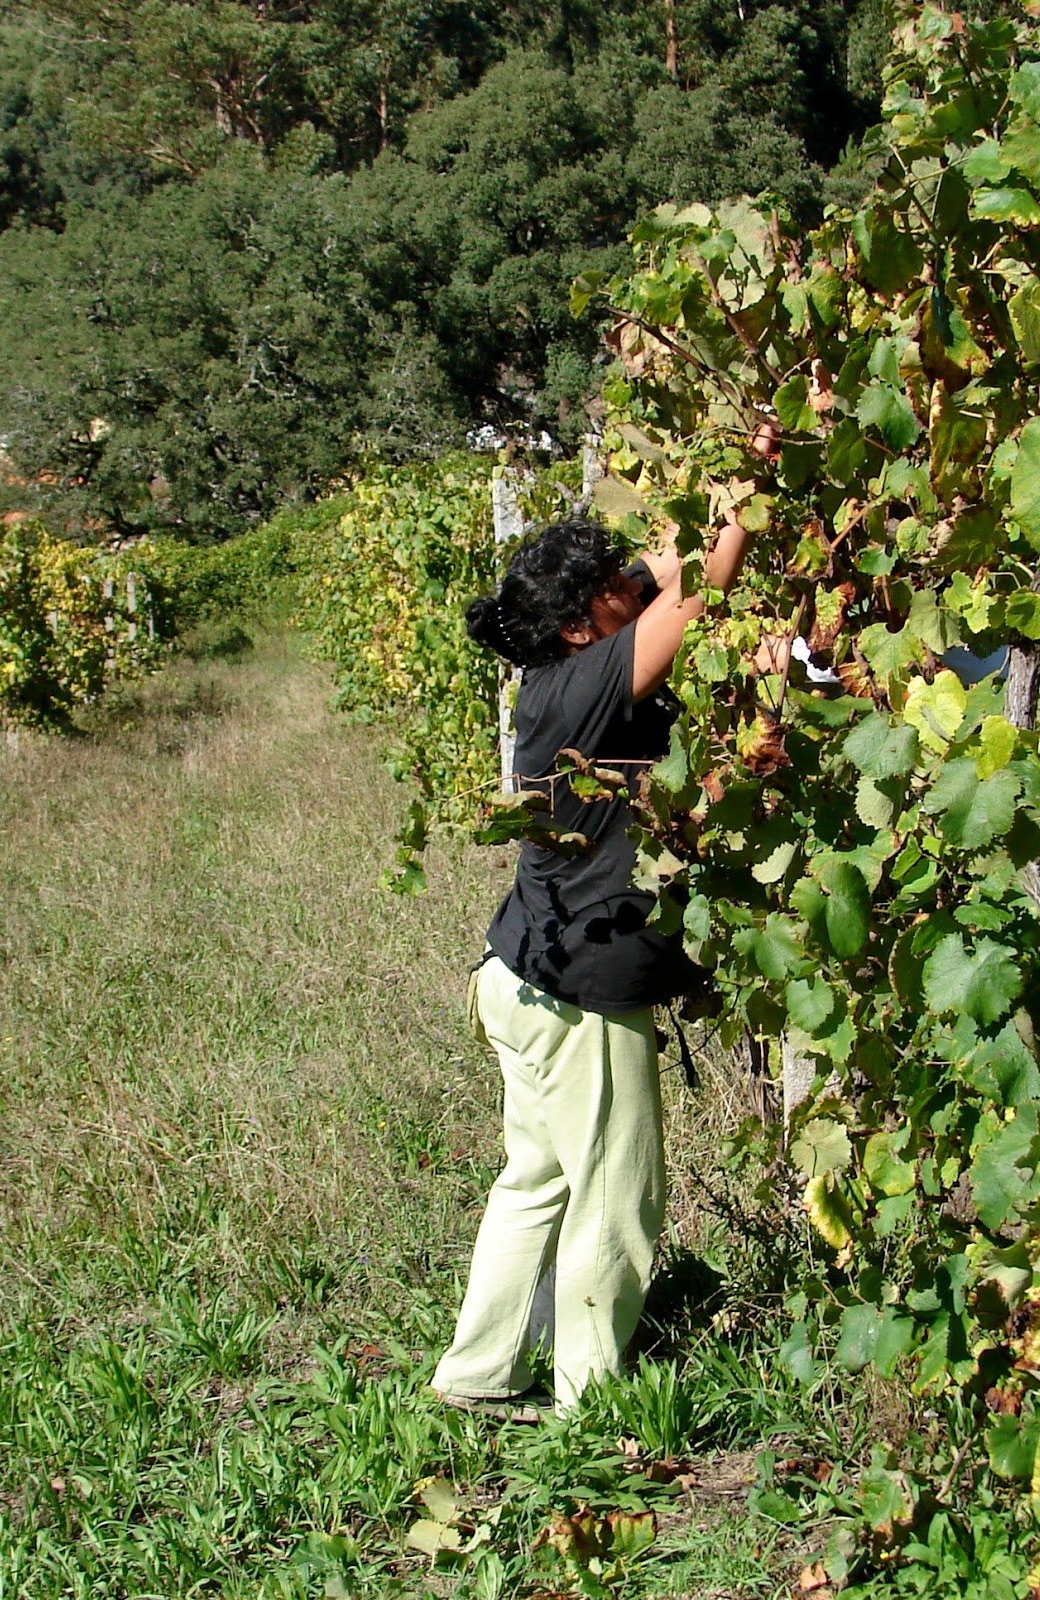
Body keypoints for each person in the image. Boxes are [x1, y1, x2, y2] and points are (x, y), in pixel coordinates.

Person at [430, 493, 758, 1416]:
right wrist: (752, 512)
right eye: (612, 589)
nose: (633, 584)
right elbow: (701, 592)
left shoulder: (559, 669)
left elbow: (665, 566)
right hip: (582, 1000)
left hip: (521, 976)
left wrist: (728, 492)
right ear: (581, 628)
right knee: (617, 1199)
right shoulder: (589, 686)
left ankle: (481, 1372)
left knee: (536, 1180)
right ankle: (591, 1403)